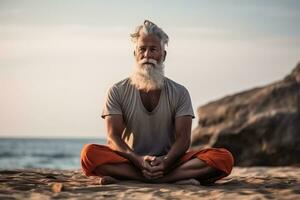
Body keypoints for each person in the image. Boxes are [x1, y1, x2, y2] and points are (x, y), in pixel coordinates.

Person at [80, 20, 234, 185]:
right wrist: (138, 160)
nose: (147, 55)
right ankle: (170, 179)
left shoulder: (180, 92)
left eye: (153, 49)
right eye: (142, 49)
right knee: (89, 154)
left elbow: (183, 139)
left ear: (163, 55)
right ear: (135, 54)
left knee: (223, 158)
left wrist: (166, 163)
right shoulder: (117, 90)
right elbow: (113, 137)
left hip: (170, 162)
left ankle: (134, 178)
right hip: (131, 160)